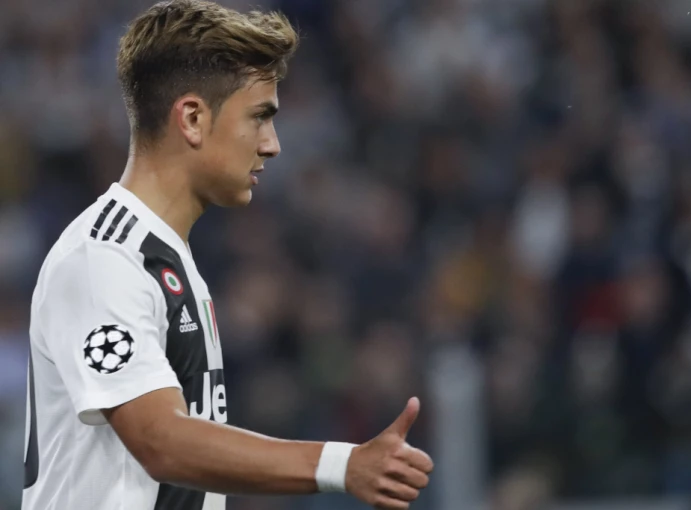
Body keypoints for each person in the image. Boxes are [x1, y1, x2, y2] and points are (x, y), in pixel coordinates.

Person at [20, 1, 433, 509]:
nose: (272, 144)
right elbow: (159, 441)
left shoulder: (169, 260)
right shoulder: (103, 257)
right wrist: (340, 464)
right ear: (193, 119)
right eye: (259, 117)